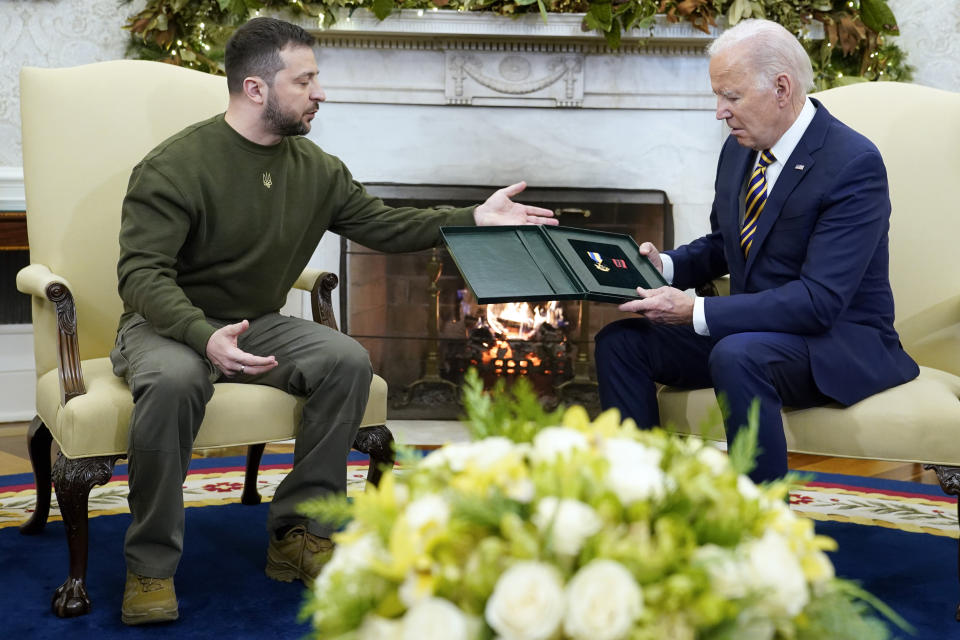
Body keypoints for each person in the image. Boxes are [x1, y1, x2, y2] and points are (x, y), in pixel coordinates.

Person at [113, 16, 557, 625]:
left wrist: (474, 218)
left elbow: (384, 226)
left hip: (254, 322)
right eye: (306, 80)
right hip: (168, 325)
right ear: (256, 89)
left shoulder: (316, 169)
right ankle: (150, 568)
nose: (321, 92)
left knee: (346, 361)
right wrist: (202, 336)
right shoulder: (175, 166)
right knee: (175, 381)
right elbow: (140, 278)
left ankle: (302, 534)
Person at [594, 19, 918, 484]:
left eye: (732, 96)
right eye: (717, 96)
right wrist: (664, 266)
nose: (720, 112)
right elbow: (725, 244)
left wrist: (696, 311)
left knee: (737, 355)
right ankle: (638, 498)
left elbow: (819, 302)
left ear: (781, 88)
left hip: (836, 341)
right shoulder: (740, 149)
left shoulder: (853, 164)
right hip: (752, 331)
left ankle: (759, 524)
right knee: (621, 343)